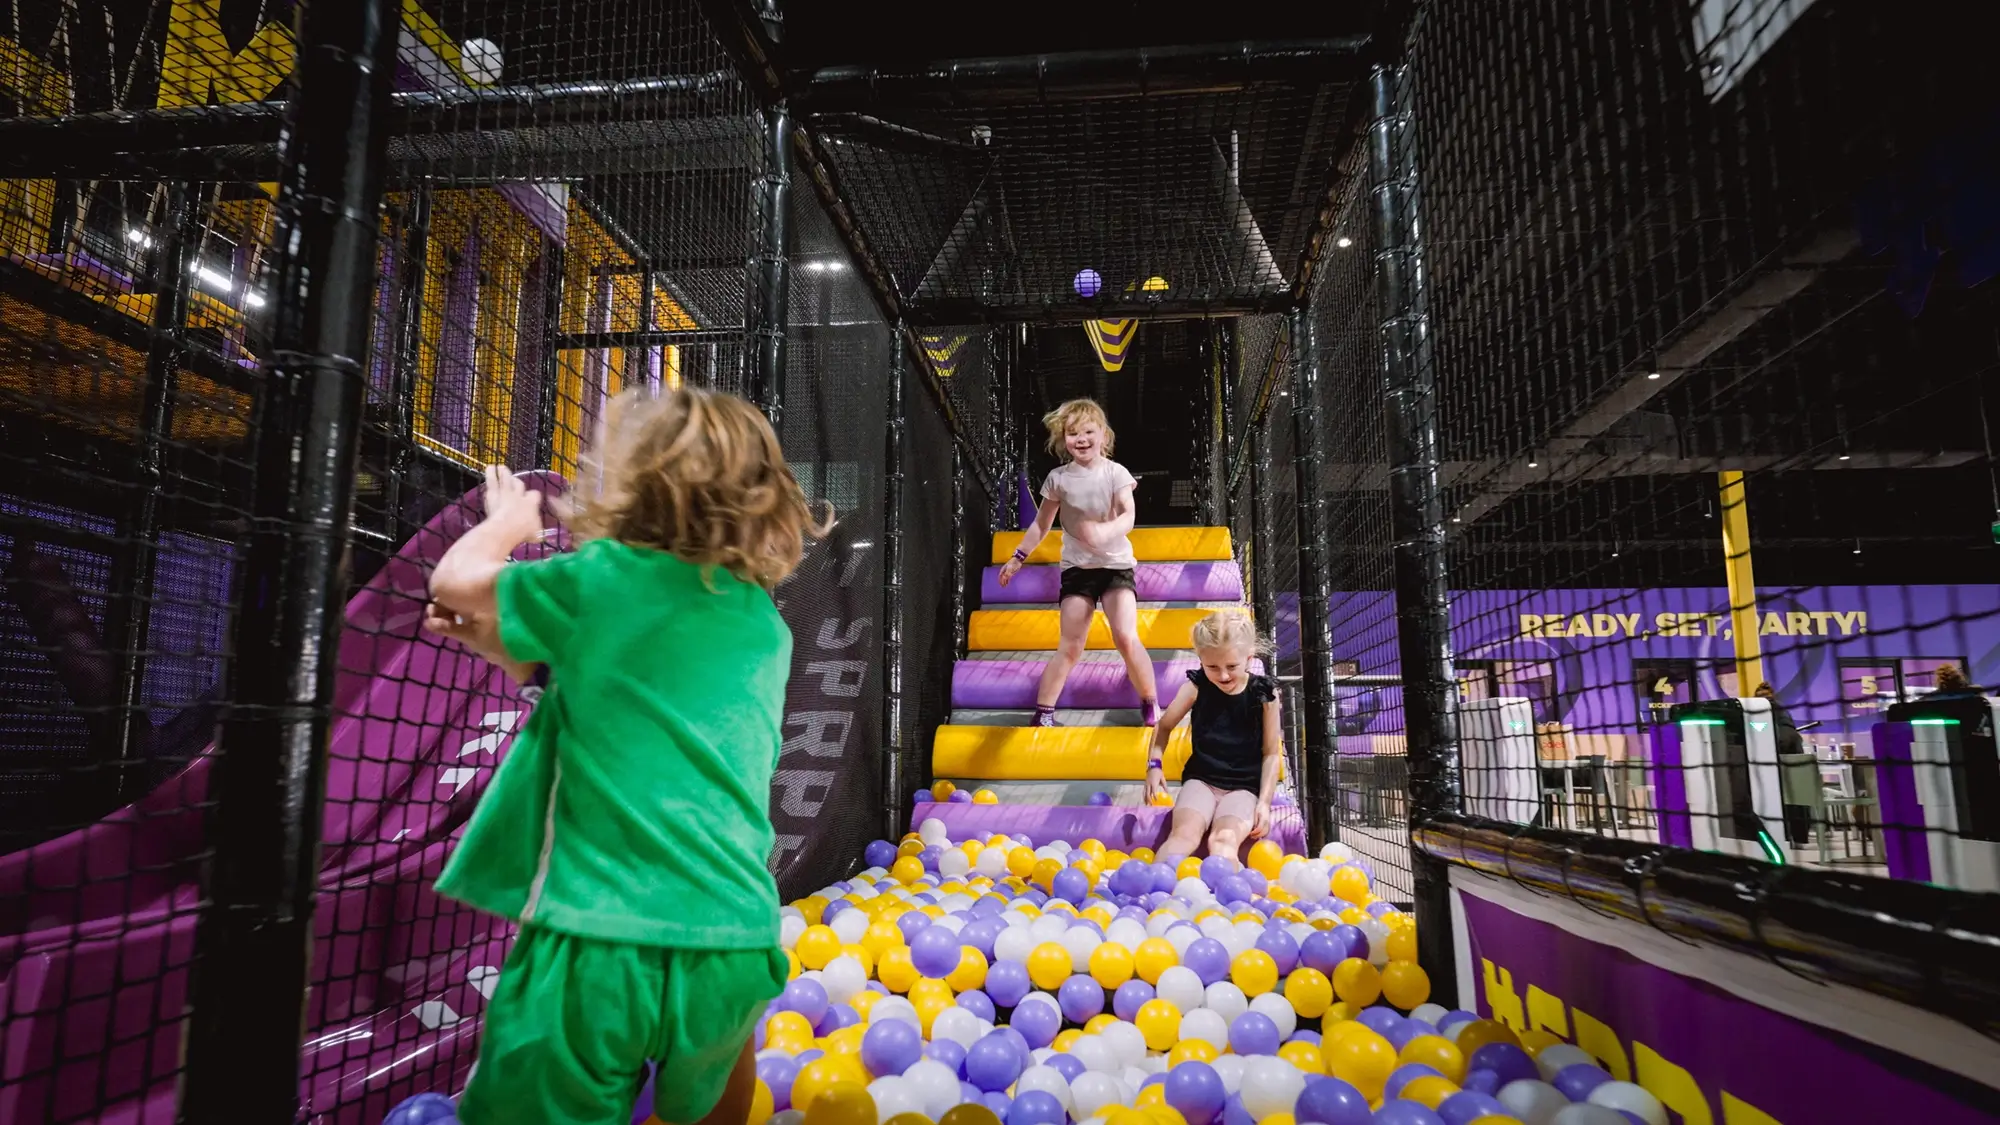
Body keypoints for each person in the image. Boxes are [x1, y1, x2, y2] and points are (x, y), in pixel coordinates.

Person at [423, 387, 830, 1125]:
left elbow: (452, 583)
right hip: (733, 937)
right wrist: (490, 635)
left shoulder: (599, 578)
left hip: (597, 936)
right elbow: (601, 686)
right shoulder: (764, 621)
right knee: (713, 1103)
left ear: (633, 482)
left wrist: (508, 525)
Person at [998, 398, 1161, 726]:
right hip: (1077, 570)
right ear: (1063, 439)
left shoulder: (1116, 473)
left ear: (1103, 435)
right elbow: (1042, 524)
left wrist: (1105, 533)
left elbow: (1129, 514)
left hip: (1115, 566)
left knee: (1126, 637)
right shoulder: (1059, 478)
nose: (1081, 438)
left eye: (1089, 431)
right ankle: (1043, 713)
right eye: (1073, 433)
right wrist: (1018, 557)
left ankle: (1150, 703)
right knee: (1071, 645)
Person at [1146, 610, 1283, 863]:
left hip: (1243, 787)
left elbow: (1271, 753)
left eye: (1232, 666)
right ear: (1200, 659)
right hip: (1202, 780)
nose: (1222, 675)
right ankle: (1157, 892)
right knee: (1184, 835)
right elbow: (1163, 726)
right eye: (1212, 667)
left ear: (1249, 658)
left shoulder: (1265, 695)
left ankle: (1228, 900)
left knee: (1223, 840)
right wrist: (1154, 765)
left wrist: (1264, 803)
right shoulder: (1196, 688)